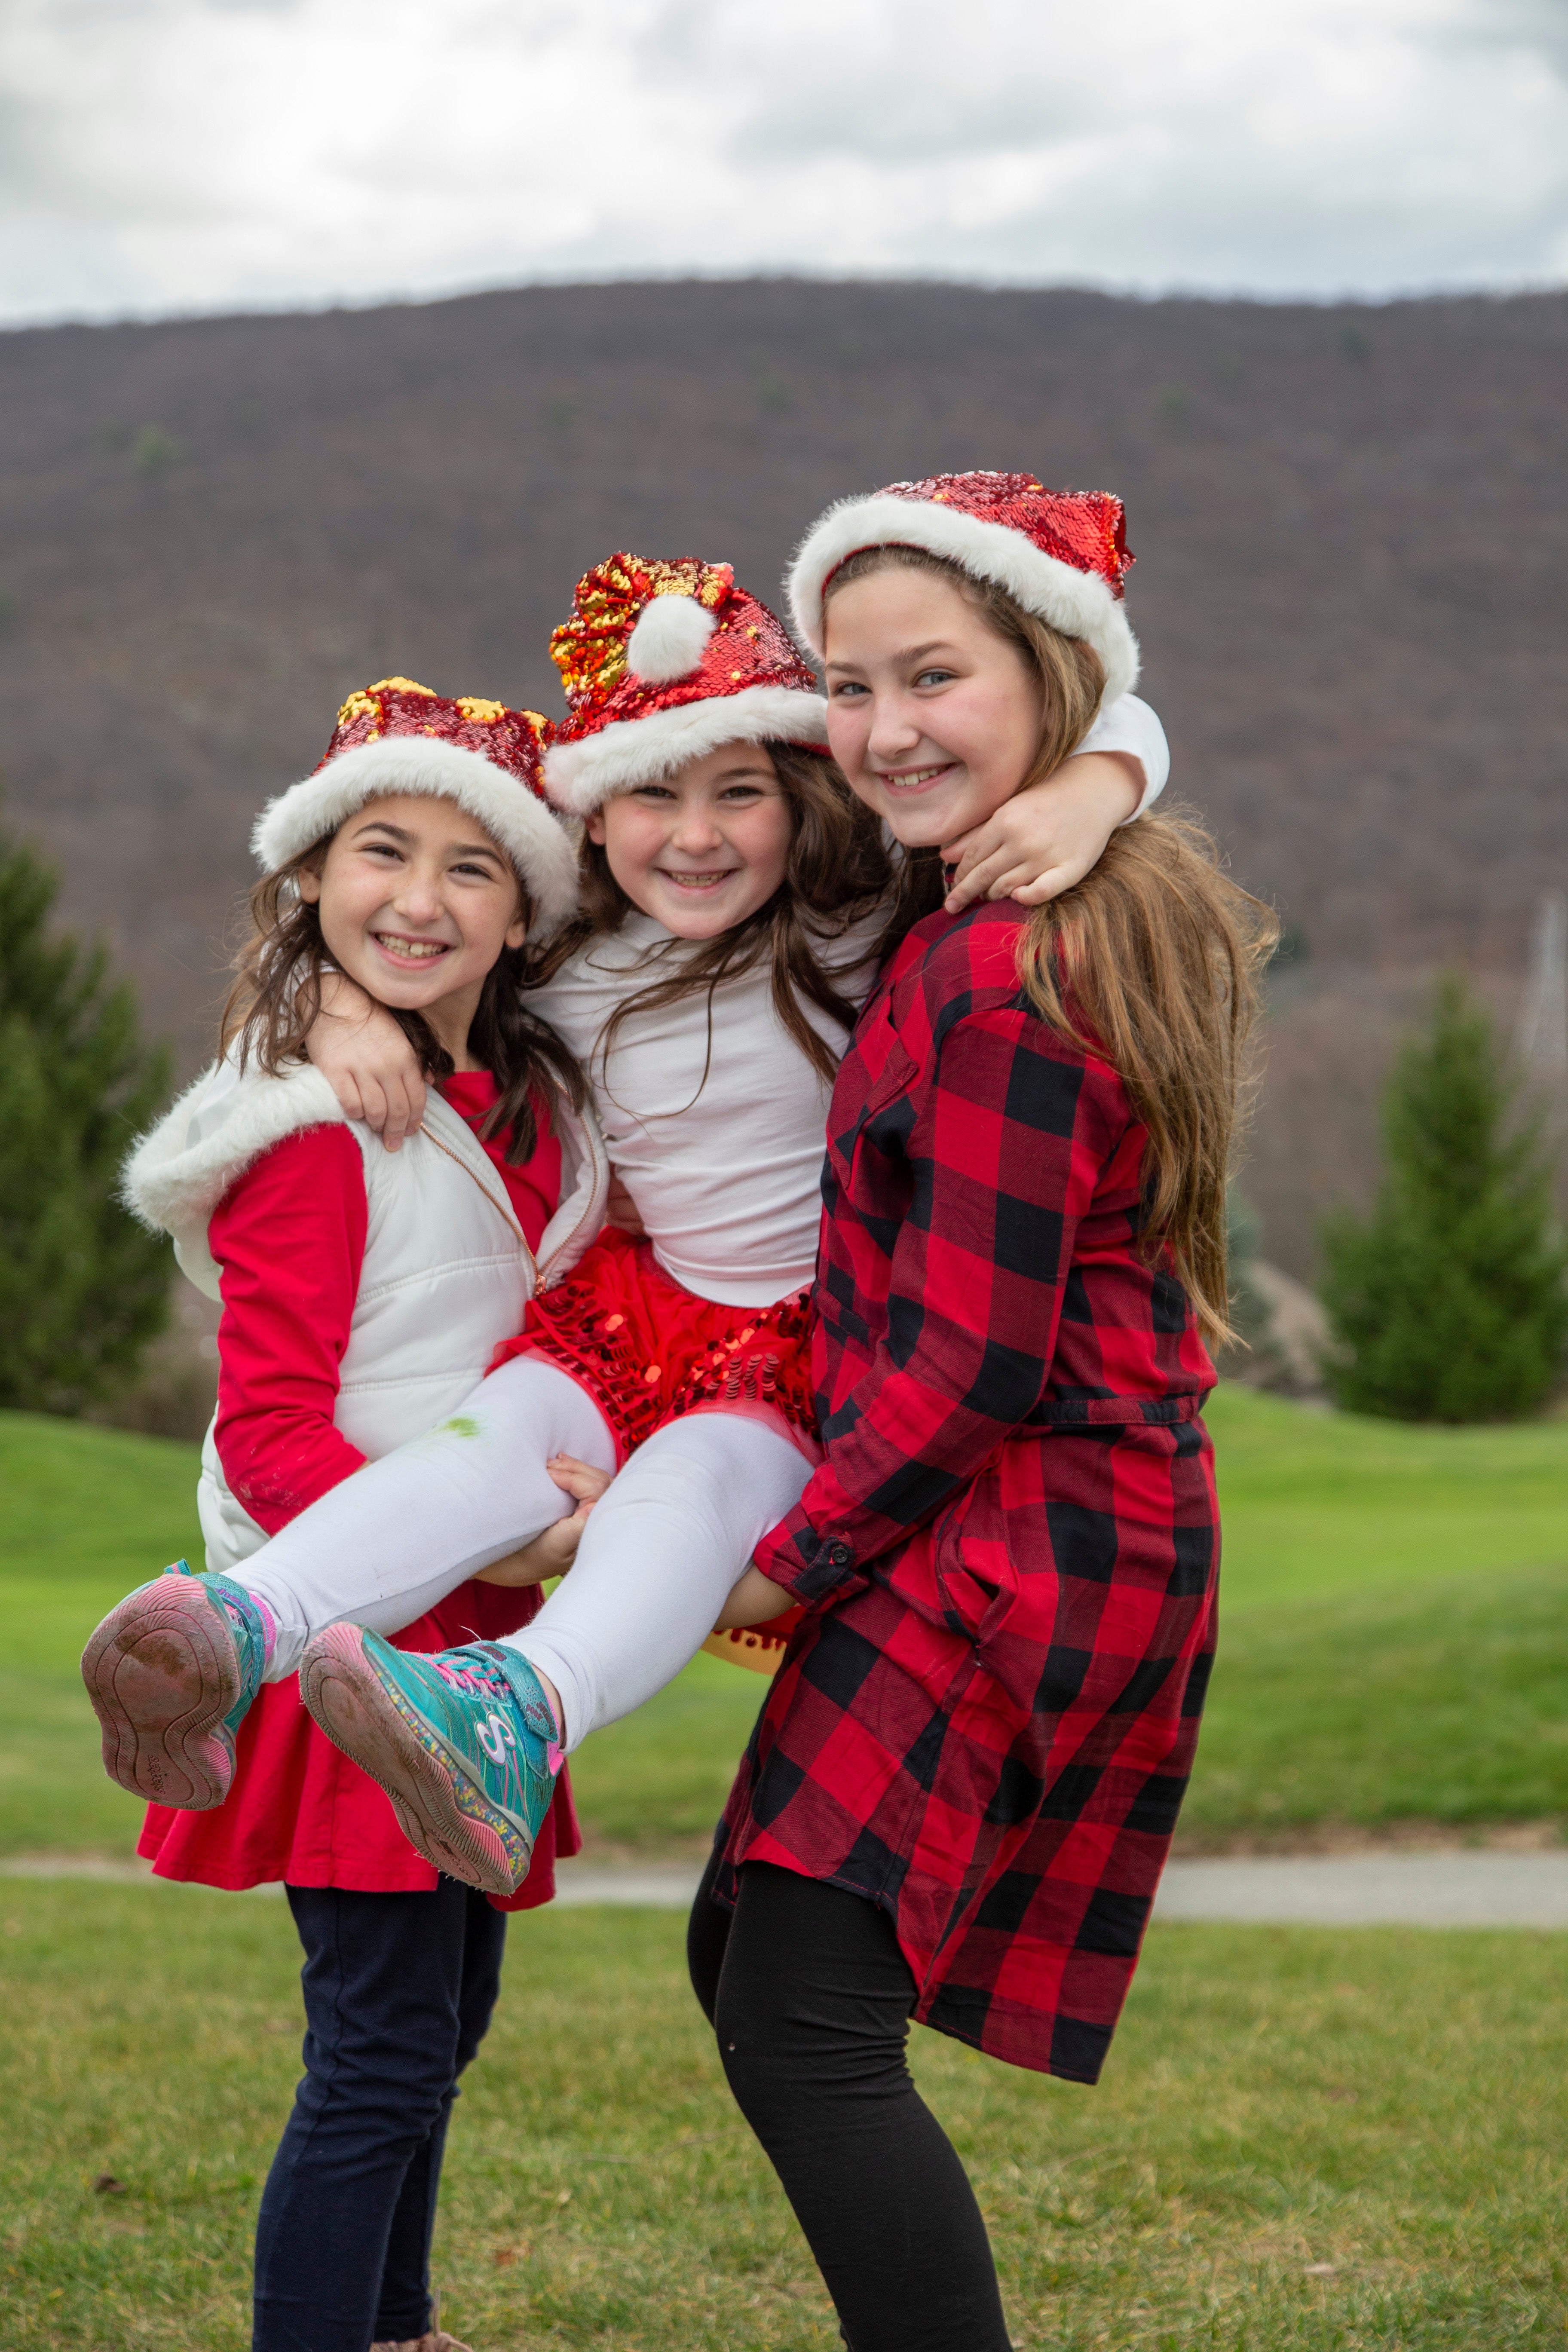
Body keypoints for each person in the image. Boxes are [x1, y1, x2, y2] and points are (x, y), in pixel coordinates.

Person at [93, 549, 1171, 1906]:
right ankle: (238, 1627)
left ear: (801, 797)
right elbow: (391, 930)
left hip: (782, 1358)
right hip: (617, 1319)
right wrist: (325, 1003)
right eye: (652, 793)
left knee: (686, 1487)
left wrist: (1098, 784)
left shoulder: (855, 930)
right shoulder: (566, 969)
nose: (695, 835)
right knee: (489, 1442)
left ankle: (524, 1708)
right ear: (592, 821)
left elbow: (1111, 707)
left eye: (739, 792)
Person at [684, 471, 1279, 2352]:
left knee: (801, 2016)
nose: (882, 731)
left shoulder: (1016, 976)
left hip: (1025, 1538)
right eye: (849, 687)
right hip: (1003, 1519)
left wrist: (778, 1567)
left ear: (1047, 675)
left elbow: (973, 1365)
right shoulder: (990, 888)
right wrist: (1109, 770)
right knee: (752, 1956)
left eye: (932, 676)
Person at [85, 679, 606, 2352]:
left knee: (442, 2023)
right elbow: (272, 1431)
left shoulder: (517, 1102)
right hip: (356, 1637)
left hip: (473, 1647)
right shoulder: (311, 1130)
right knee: (379, 2048)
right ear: (309, 874)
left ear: (523, 914)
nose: (422, 898)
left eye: (474, 866)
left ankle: (398, 2323)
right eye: (384, 850)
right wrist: (487, 1543)